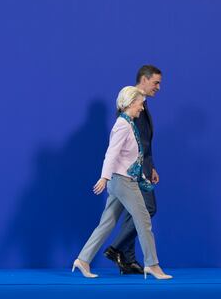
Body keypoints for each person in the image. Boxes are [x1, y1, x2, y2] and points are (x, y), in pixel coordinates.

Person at [72, 86, 171, 279]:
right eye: (140, 104)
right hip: (123, 182)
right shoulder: (122, 125)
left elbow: (129, 157)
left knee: (106, 223)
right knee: (143, 221)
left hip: (121, 180)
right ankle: (152, 264)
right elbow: (111, 153)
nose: (142, 108)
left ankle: (83, 260)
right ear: (131, 103)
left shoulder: (128, 123)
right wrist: (104, 176)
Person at [104, 65, 162, 275]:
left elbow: (145, 140)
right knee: (147, 209)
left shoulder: (143, 104)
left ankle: (126, 259)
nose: (158, 87)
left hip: (142, 166)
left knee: (134, 211)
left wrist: (151, 164)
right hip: (132, 169)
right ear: (144, 80)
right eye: (156, 82)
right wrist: (141, 168)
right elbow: (129, 142)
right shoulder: (131, 103)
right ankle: (117, 248)